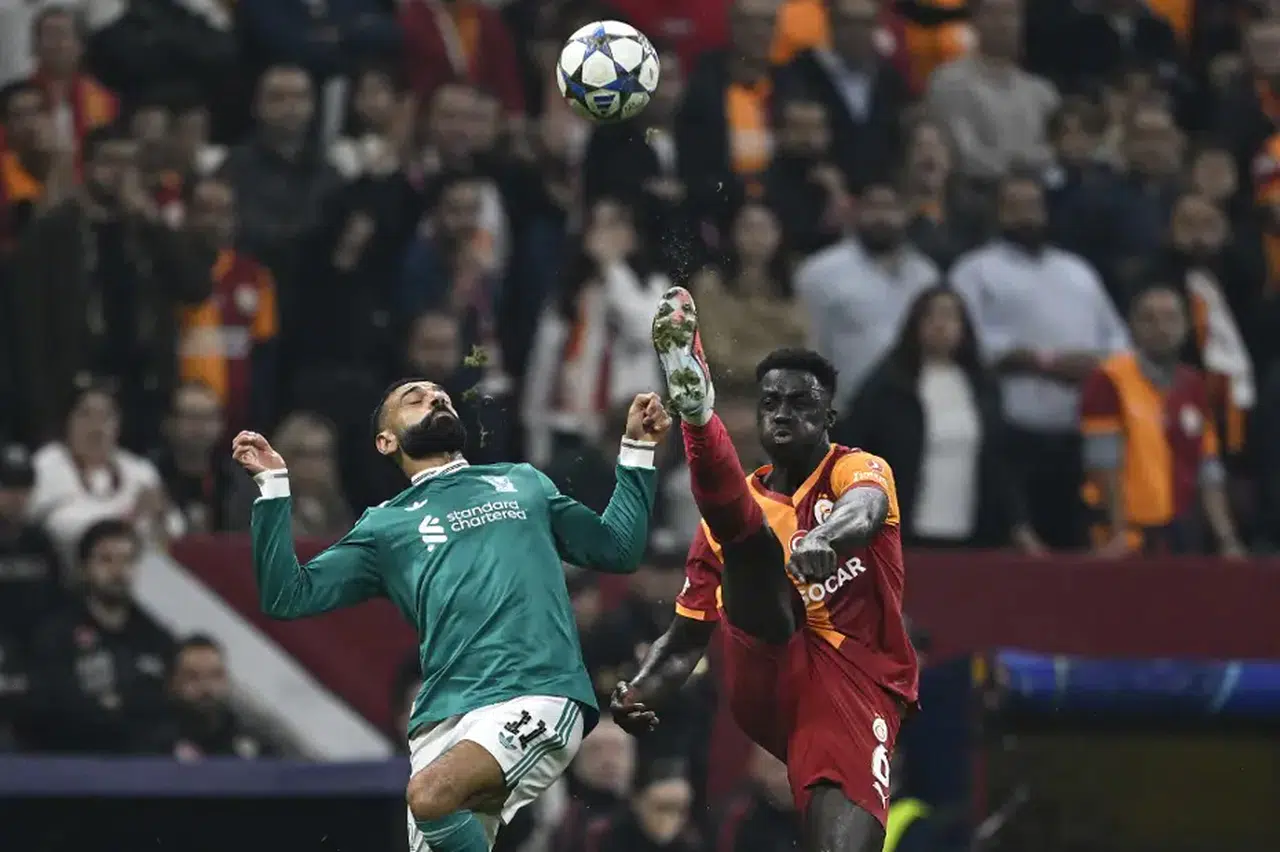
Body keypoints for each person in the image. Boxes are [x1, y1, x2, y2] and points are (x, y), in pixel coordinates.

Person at [231, 381, 671, 852]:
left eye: (440, 395)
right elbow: (287, 595)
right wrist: (273, 489)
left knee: (430, 795)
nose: (435, 398)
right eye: (414, 399)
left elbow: (618, 549)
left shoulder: (522, 481)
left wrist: (637, 450)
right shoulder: (384, 525)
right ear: (386, 441)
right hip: (440, 721)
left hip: (536, 691)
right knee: (434, 799)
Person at [613, 287, 919, 852]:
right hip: (766, 668)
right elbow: (685, 639)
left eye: (801, 404)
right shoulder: (741, 510)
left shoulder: (857, 469)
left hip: (853, 682)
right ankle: (698, 415)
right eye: (771, 402)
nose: (783, 413)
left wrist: (824, 538)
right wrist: (640, 690)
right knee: (747, 540)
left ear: (828, 417)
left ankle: (699, 417)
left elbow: (866, 509)